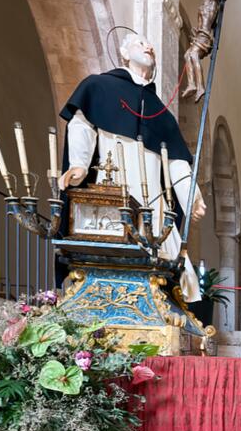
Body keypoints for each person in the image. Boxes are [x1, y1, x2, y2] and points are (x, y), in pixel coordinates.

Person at [58, 32, 206, 300]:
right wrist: (78, 164)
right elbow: (81, 124)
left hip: (151, 200)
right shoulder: (98, 87)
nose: (149, 46)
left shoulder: (160, 110)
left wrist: (191, 196)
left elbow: (176, 161)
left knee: (160, 261)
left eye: (151, 45)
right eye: (140, 43)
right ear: (124, 53)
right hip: (112, 191)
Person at [181, 0, 228, 101]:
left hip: (205, 36)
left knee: (192, 55)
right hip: (199, 35)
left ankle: (199, 87)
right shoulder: (204, 4)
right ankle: (192, 84)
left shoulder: (212, 1)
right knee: (187, 55)